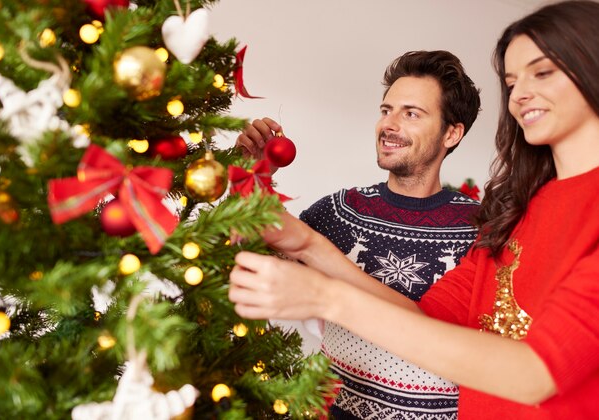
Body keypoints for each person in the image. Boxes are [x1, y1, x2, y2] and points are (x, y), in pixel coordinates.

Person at [228, 1, 599, 418]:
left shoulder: (483, 220)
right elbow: (425, 317)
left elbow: (535, 375)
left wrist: (327, 297)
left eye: (542, 71)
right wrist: (308, 243)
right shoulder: (514, 214)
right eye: (512, 81)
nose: (520, 94)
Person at [236, 51, 481, 419]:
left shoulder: (478, 231)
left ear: (452, 132)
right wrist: (249, 180)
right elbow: (251, 263)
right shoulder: (339, 211)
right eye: (386, 110)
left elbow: (459, 341)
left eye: (411, 113)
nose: (389, 124)